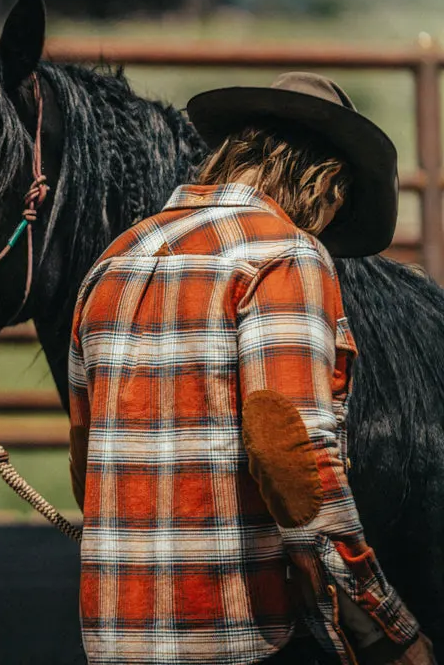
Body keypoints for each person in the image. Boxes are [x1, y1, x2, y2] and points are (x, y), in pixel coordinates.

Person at [68, 72, 436, 665]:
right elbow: (290, 457)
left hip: (115, 636)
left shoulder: (116, 260)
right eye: (336, 204)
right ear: (327, 180)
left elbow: (86, 462)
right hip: (238, 635)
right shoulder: (283, 254)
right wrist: (383, 624)